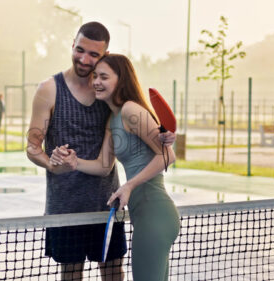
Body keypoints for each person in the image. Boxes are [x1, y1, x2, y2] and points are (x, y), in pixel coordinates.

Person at [26, 22, 175, 281]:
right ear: (72, 44)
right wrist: (57, 164)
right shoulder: (50, 90)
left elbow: (157, 145)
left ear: (104, 55)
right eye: (80, 50)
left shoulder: (114, 102)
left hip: (109, 205)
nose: (85, 60)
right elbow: (33, 148)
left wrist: (165, 136)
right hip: (66, 208)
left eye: (94, 55)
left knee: (116, 274)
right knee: (71, 274)